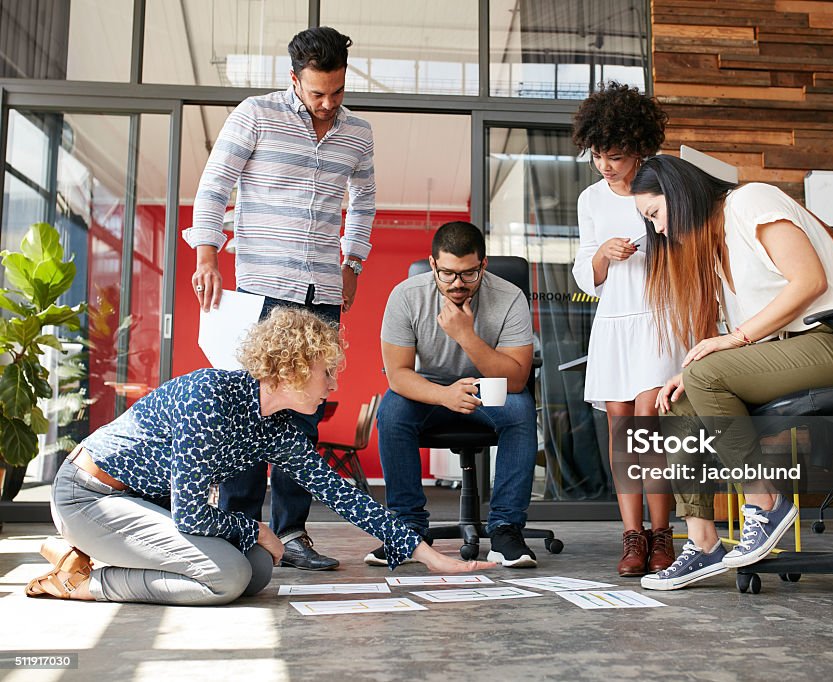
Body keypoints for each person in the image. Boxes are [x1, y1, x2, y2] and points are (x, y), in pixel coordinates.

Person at [25, 308, 492, 605]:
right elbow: (191, 514)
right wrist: (260, 528)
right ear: (289, 368)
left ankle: (87, 555)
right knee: (227, 577)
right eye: (326, 372)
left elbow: (343, 494)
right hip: (89, 496)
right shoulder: (210, 398)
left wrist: (430, 556)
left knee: (259, 571)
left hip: (144, 506)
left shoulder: (277, 428)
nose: (333, 385)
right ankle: (83, 581)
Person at [630, 155, 833, 591]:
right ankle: (702, 541)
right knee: (681, 397)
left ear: (679, 194)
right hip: (800, 351)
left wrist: (731, 343)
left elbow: (810, 282)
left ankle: (765, 501)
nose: (658, 230)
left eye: (656, 214)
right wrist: (692, 371)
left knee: (706, 375)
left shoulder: (749, 202)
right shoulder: (715, 253)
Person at [184, 26, 375, 570]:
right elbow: (215, 184)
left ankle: (292, 533)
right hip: (261, 289)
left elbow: (363, 201)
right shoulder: (255, 115)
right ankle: (242, 527)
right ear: (294, 80)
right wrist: (206, 255)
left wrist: (352, 261)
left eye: (337, 92)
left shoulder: (357, 134)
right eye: (317, 93)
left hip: (321, 289)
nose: (327, 104)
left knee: (305, 414)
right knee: (249, 409)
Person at [369, 221, 539, 568]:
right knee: (391, 412)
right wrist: (444, 395)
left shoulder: (510, 297)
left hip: (487, 385)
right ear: (432, 264)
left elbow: (517, 378)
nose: (457, 284)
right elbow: (399, 375)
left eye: (468, 274)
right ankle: (407, 528)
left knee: (521, 409)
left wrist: (466, 336)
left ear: (483, 264)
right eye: (447, 274)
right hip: (430, 388)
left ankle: (506, 529)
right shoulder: (406, 296)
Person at [570, 82, 685, 577]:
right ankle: (632, 537)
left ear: (639, 147)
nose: (605, 165)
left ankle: (664, 535)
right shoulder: (591, 199)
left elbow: (687, 250)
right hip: (614, 319)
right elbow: (582, 272)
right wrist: (602, 256)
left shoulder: (663, 184)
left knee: (648, 428)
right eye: (597, 155)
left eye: (614, 155)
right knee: (620, 430)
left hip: (658, 318)